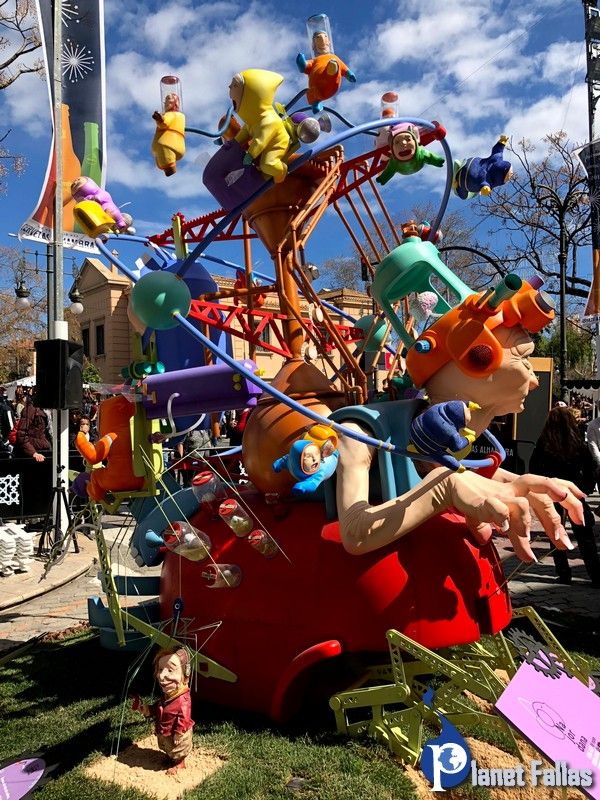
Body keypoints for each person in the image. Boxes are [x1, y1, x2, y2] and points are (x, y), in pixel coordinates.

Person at [529, 407, 600, 586]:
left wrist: (541, 488)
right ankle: (595, 575)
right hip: (573, 492)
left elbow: (534, 468)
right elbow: (590, 468)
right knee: (585, 535)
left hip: (552, 492)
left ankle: (563, 573)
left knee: (556, 532)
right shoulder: (577, 442)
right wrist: (584, 489)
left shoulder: (544, 442)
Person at [132, 647, 194, 773]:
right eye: (160, 669)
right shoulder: (167, 696)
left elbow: (184, 717)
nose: (162, 675)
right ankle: (170, 758)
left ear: (185, 675)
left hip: (177, 734)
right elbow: (159, 706)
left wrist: (179, 732)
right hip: (165, 730)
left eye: (170, 670)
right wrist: (148, 709)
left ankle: (179, 763)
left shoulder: (183, 700)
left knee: (178, 748)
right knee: (168, 746)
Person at [12, 393, 51, 463]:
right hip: (31, 455)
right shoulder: (31, 409)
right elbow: (22, 435)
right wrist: (33, 453)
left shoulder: (46, 410)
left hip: (43, 450)